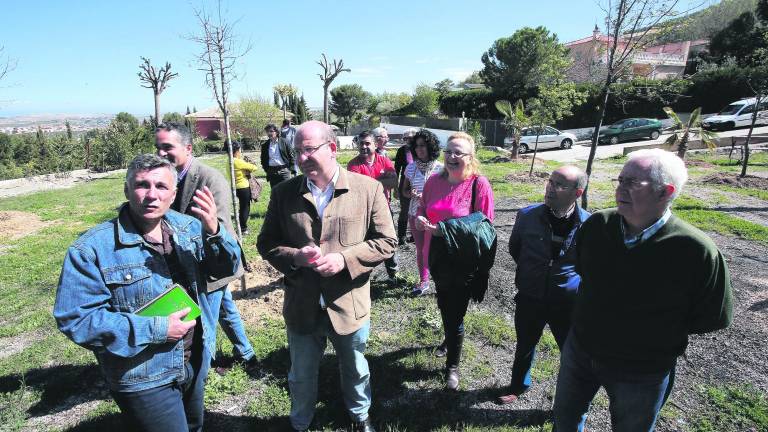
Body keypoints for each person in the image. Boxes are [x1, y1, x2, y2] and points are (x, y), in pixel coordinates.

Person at [54, 154, 242, 432]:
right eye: (142, 185)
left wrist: (215, 232)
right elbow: (76, 319)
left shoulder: (187, 227)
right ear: (127, 189)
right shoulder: (91, 249)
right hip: (143, 375)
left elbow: (226, 268)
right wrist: (157, 329)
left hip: (196, 358)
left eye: (161, 187)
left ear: (174, 192)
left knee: (194, 426)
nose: (151, 195)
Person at [553, 149, 733, 431]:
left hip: (642, 369)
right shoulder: (598, 225)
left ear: (665, 192)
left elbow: (711, 317)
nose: (619, 189)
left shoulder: (695, 251)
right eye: (620, 179)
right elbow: (582, 270)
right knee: (565, 420)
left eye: (632, 183)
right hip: (581, 350)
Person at [257, 120, 396, 432]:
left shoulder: (367, 189)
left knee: (355, 368)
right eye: (297, 152)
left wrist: (344, 260)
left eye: (308, 150)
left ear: (332, 149)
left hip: (348, 302)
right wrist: (296, 257)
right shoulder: (283, 193)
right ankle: (300, 421)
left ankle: (359, 416)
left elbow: (387, 241)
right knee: (301, 373)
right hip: (302, 304)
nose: (301, 158)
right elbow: (266, 243)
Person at [155, 122, 255, 370]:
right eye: (158, 148)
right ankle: (247, 354)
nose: (161, 154)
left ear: (188, 148)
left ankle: (203, 370)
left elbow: (217, 227)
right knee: (225, 309)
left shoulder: (210, 179)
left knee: (206, 319)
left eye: (167, 147)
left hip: (213, 263)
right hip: (187, 263)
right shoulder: (166, 179)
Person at [497, 166, 590, 405]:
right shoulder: (527, 215)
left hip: (566, 303)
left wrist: (565, 282)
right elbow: (515, 249)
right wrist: (534, 274)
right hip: (530, 296)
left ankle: (570, 400)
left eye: (559, 185)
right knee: (525, 344)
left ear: (577, 193)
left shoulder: (589, 224)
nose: (550, 188)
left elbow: (588, 264)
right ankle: (518, 386)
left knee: (570, 353)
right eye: (550, 181)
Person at [415, 132, 495, 390]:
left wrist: (445, 230)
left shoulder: (478, 184)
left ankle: (452, 367)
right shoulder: (433, 182)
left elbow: (485, 225)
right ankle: (450, 337)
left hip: (463, 256)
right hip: (436, 252)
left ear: (470, 157)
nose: (451, 157)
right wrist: (419, 219)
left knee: (456, 311)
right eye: (448, 151)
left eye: (458, 153)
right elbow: (423, 208)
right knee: (443, 299)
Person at [347, 130, 400, 283]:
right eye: (361, 143)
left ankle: (393, 273)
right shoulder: (353, 164)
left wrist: (370, 182)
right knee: (363, 243)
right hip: (362, 210)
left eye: (367, 143)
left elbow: (393, 182)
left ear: (375, 144)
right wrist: (381, 181)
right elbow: (358, 188)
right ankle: (363, 276)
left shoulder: (384, 161)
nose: (363, 146)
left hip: (384, 208)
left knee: (389, 239)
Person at [400, 129, 443, 295]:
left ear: (430, 147)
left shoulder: (441, 169)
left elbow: (448, 192)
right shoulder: (411, 168)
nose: (419, 149)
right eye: (416, 146)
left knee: (436, 249)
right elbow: (403, 191)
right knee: (421, 249)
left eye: (423, 146)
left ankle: (440, 279)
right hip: (415, 213)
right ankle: (424, 281)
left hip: (436, 215)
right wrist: (410, 193)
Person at [394, 128, 418, 245]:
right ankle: (402, 236)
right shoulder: (401, 151)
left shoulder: (419, 149)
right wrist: (395, 188)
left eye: (410, 138)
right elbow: (396, 170)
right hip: (405, 183)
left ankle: (415, 235)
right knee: (405, 210)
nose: (408, 140)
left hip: (419, 183)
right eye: (406, 138)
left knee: (418, 209)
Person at [231, 141, 258, 234]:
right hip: (243, 187)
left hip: (235, 187)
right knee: (245, 208)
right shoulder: (237, 161)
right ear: (236, 151)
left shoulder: (229, 161)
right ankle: (243, 228)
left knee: (241, 207)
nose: (241, 152)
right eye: (240, 150)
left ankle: (240, 226)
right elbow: (254, 167)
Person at [260, 123, 297, 187]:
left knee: (287, 191)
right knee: (275, 192)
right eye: (267, 132)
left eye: (271, 131)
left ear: (277, 132)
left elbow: (292, 156)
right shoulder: (265, 145)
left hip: (284, 171)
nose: (269, 133)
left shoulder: (285, 142)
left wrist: (291, 169)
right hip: (272, 172)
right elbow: (263, 159)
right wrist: (267, 170)